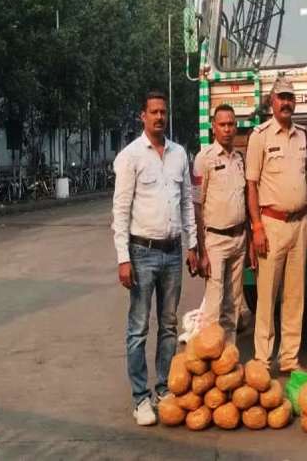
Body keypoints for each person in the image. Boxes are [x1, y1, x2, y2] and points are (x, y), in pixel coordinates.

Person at [111, 90, 198, 426]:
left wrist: (192, 245)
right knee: (138, 328)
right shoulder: (130, 156)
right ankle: (140, 398)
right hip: (142, 253)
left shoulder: (179, 154)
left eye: (163, 112)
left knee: (169, 325)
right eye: (154, 112)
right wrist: (123, 258)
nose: (160, 117)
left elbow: (187, 203)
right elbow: (120, 211)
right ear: (143, 116)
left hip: (173, 252)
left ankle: (163, 388)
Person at [245, 76, 307, 373]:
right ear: (271, 102)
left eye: (290, 97)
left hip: (299, 224)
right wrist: (256, 228)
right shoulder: (259, 136)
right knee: (267, 296)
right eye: (281, 97)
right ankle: (263, 360)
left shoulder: (302, 135)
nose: (286, 102)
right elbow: (251, 185)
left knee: (294, 297)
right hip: (271, 225)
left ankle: (289, 359)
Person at [191, 104, 255, 345]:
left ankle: (228, 356)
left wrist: (249, 241)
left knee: (233, 306)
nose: (227, 129)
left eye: (231, 124)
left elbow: (245, 203)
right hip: (215, 241)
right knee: (214, 307)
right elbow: (196, 206)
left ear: (236, 127)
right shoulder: (204, 159)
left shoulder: (240, 159)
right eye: (222, 124)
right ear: (213, 127)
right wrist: (202, 251)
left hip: (239, 240)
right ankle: (209, 357)